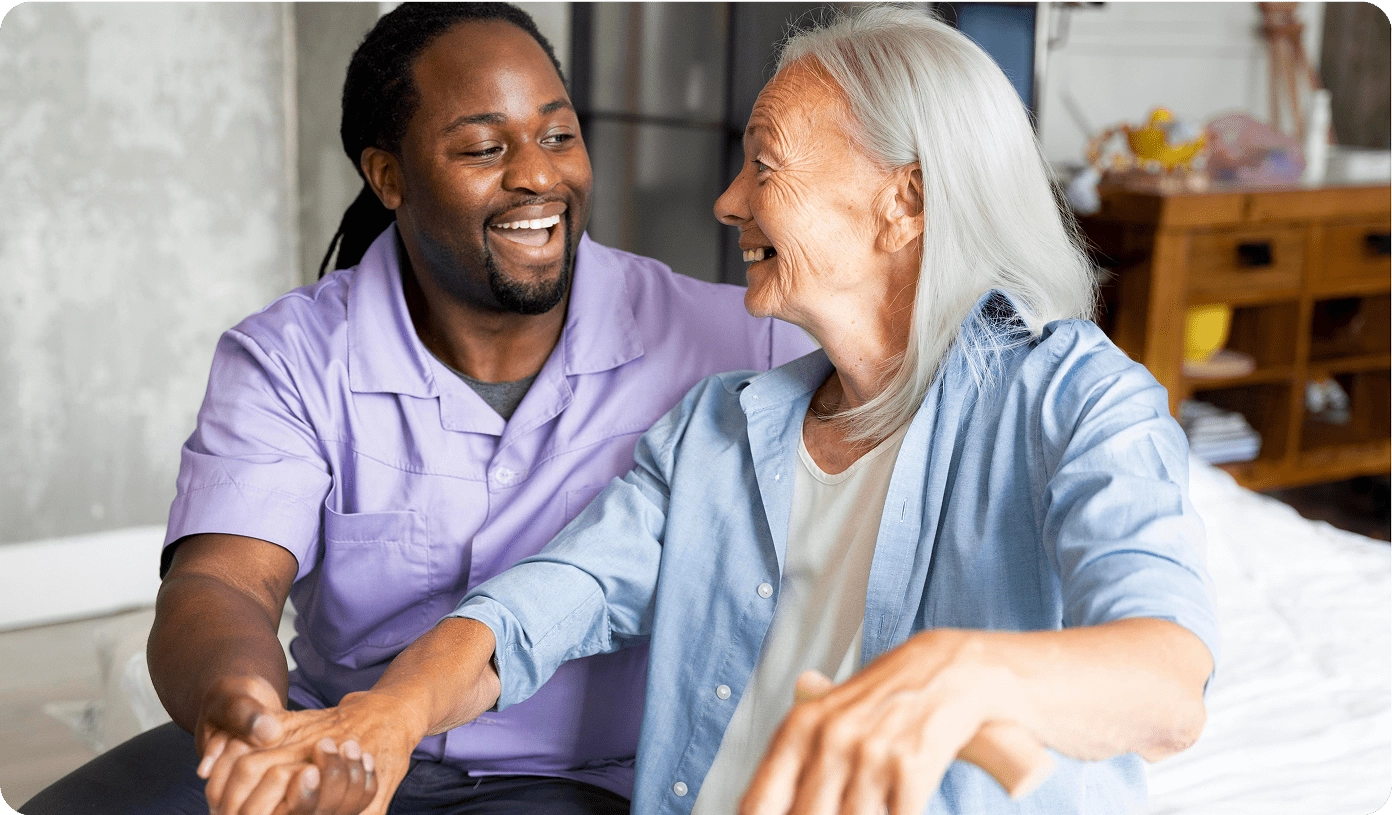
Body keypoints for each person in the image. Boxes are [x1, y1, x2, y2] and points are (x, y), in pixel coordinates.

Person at [196, 7, 1218, 815]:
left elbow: (1169, 685)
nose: (728, 203)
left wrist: (959, 671)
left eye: (763, 165)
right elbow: (544, 600)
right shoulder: (724, 423)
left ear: (903, 201)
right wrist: (387, 713)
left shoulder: (1077, 397)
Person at [20, 4, 814, 814]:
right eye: (483, 147)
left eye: (559, 135)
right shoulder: (290, 356)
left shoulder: (737, 342)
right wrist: (250, 720)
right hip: (330, 740)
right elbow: (223, 581)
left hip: (569, 779)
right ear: (388, 176)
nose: (538, 176)